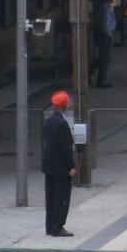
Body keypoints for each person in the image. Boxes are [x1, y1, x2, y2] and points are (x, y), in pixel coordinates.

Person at [42, 90, 76, 237]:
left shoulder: (49, 121)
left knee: (50, 196)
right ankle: (58, 226)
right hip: (61, 167)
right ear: (64, 105)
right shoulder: (62, 124)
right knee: (61, 197)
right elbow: (66, 148)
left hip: (49, 165)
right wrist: (71, 166)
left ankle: (49, 226)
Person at [90, 0, 116, 88]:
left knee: (103, 57)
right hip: (103, 33)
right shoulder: (105, 8)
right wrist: (109, 34)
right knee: (105, 58)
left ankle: (90, 71)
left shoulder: (106, 6)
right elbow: (104, 23)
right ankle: (101, 80)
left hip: (101, 32)